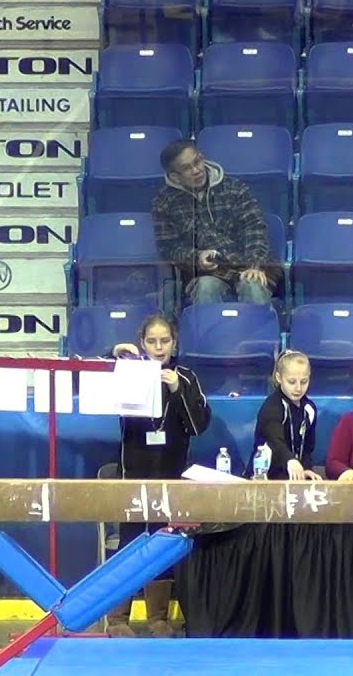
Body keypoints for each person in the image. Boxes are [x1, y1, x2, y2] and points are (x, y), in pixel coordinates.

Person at [106, 315, 211, 638]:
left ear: (174, 343)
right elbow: (91, 384)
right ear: (142, 343)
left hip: (171, 474)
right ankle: (118, 619)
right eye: (151, 341)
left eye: (164, 341)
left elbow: (197, 426)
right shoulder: (129, 371)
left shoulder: (187, 377)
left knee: (164, 543)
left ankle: (158, 619)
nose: (158, 347)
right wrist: (111, 356)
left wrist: (177, 389)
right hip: (135, 472)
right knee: (131, 542)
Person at [152, 138, 280, 306]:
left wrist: (254, 265)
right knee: (206, 287)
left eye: (197, 161)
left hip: (247, 265)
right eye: (187, 168)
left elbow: (254, 228)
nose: (197, 170)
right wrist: (196, 257)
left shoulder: (234, 188)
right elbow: (169, 248)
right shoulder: (164, 203)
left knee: (252, 286)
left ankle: (258, 333)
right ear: (175, 177)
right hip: (207, 274)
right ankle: (210, 332)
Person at [250, 351, 324, 481]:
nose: (298, 388)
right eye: (291, 382)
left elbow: (307, 448)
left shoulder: (309, 409)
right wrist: (290, 460)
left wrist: (306, 468)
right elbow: (275, 440)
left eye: (304, 381)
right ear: (279, 378)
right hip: (265, 476)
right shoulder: (272, 407)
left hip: (295, 475)